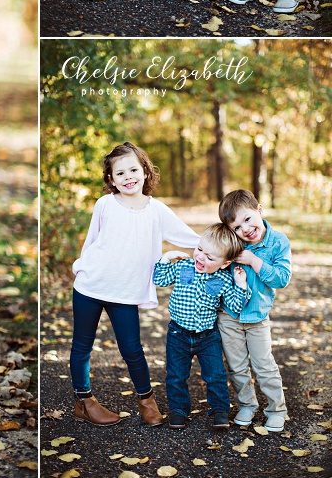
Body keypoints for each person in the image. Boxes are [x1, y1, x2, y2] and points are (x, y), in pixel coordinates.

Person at [69, 141, 200, 427]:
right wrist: (81, 267)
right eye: (120, 173)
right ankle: (84, 401)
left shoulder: (157, 210)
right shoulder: (104, 204)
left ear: (145, 171)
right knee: (82, 346)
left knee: (132, 350)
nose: (128, 177)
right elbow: (92, 242)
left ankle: (147, 401)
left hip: (125, 292)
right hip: (90, 287)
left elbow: (191, 238)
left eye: (133, 169)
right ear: (111, 179)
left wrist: (228, 247)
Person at [152, 224, 250, 430]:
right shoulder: (183, 267)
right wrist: (165, 259)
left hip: (207, 336)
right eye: (200, 250)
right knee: (176, 375)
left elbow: (234, 305)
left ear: (225, 264)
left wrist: (241, 284)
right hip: (178, 333)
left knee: (215, 375)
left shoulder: (224, 278)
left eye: (210, 257)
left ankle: (220, 411)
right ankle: (178, 411)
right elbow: (160, 279)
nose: (201, 257)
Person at [218, 189, 292, 432]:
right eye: (237, 227)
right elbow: (213, 259)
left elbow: (281, 279)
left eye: (248, 219)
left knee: (264, 365)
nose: (245, 229)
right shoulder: (233, 244)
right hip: (229, 316)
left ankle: (276, 409)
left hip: (258, 317)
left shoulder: (278, 242)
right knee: (237, 366)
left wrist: (253, 261)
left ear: (259, 210)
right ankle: (247, 405)